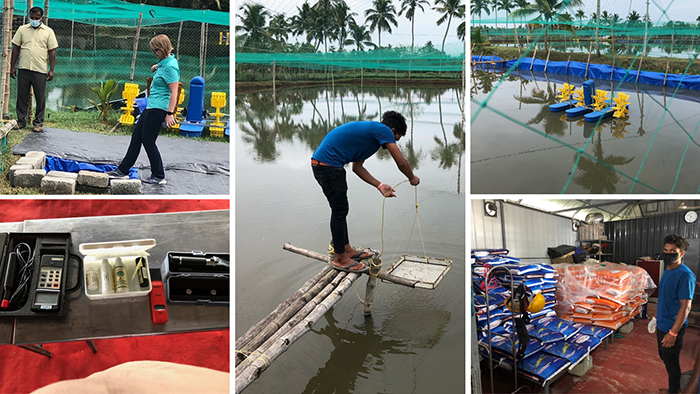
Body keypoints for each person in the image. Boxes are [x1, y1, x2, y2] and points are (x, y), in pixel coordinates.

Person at [311, 110, 420, 273]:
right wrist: (412, 177)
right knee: (339, 210)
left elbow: (357, 167)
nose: (394, 142)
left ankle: (346, 249)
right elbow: (401, 162)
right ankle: (340, 257)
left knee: (342, 208)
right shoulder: (382, 130)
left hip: (329, 166)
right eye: (396, 138)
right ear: (392, 131)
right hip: (327, 165)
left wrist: (379, 185)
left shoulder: (370, 138)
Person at [108, 34, 179, 185]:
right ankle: (123, 170)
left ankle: (159, 175)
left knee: (148, 141)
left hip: (159, 108)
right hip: (151, 105)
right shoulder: (164, 62)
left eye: (155, 51)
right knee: (137, 137)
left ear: (162, 49)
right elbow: (163, 65)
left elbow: (174, 92)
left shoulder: (171, 67)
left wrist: (170, 114)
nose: (154, 53)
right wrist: (157, 66)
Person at [655, 234, 696, 394]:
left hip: (672, 328)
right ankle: (675, 388)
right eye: (666, 250)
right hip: (662, 323)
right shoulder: (668, 269)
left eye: (673, 250)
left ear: (682, 254)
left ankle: (674, 391)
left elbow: (685, 307)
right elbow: (667, 298)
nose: (668, 253)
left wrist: (673, 333)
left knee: (672, 363)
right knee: (664, 356)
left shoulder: (685, 275)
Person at [10, 7, 58, 133]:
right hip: (24, 67)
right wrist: (12, 66)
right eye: (32, 18)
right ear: (29, 16)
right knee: (22, 96)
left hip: (40, 69)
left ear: (41, 17)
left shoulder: (48, 32)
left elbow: (52, 51)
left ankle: (38, 123)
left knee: (40, 97)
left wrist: (51, 70)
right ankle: (21, 121)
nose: (34, 20)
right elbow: (16, 48)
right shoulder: (22, 29)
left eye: (37, 18)